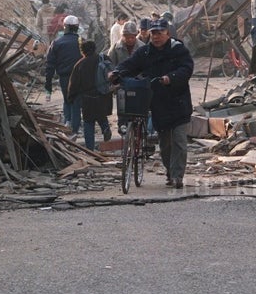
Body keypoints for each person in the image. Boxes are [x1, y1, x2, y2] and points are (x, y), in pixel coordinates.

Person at [110, 19, 194, 189]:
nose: (156, 37)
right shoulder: (145, 52)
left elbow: (186, 68)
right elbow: (131, 64)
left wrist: (171, 78)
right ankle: (170, 172)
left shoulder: (178, 50)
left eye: (159, 33)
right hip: (158, 103)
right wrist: (117, 72)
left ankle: (177, 175)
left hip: (179, 102)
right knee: (165, 144)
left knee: (179, 141)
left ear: (167, 34)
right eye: (153, 33)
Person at [67, 41, 113, 151]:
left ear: (82, 51)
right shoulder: (103, 58)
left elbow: (73, 84)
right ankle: (105, 128)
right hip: (103, 95)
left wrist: (71, 97)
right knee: (101, 115)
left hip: (87, 98)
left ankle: (89, 149)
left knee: (88, 123)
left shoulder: (80, 64)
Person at [45, 15, 83, 136]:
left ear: (65, 27)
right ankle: (75, 129)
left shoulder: (56, 43)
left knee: (67, 100)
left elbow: (50, 64)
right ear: (77, 28)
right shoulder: (82, 42)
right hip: (79, 77)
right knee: (76, 102)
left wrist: (48, 84)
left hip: (64, 77)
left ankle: (68, 122)